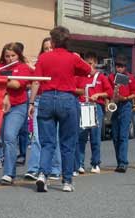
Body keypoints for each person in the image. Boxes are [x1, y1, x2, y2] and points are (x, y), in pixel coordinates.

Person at [33, 26, 91, 193]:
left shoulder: (44, 57)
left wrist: (31, 103)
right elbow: (88, 70)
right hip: (67, 98)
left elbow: (37, 79)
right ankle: (66, 181)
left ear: (52, 41)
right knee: (67, 142)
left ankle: (43, 175)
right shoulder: (72, 58)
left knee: (47, 142)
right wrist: (78, 59)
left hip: (47, 98)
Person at [24, 37, 62, 181]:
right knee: (37, 137)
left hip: (54, 100)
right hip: (40, 100)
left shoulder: (59, 62)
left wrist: (32, 67)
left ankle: (55, 168)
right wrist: (31, 103)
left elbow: (50, 77)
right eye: (45, 48)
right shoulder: (40, 62)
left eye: (51, 48)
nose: (48, 51)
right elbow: (35, 81)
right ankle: (34, 168)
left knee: (54, 137)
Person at [0, 42, 33, 185]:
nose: (10, 59)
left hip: (18, 106)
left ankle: (8, 173)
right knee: (4, 139)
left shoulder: (22, 67)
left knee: (10, 136)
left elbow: (17, 84)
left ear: (18, 55)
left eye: (13, 55)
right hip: (0, 106)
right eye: (7, 56)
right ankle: (10, 169)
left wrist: (0, 80)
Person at [74, 52, 111, 175]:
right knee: (81, 136)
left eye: (90, 63)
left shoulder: (101, 77)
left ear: (95, 63)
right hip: (82, 106)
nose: (88, 65)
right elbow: (74, 89)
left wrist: (98, 95)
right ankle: (79, 164)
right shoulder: (80, 76)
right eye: (86, 63)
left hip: (96, 107)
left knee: (95, 136)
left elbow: (109, 92)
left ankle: (95, 163)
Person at [109, 55, 135, 173]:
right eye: (117, 66)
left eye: (121, 67)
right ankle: (119, 162)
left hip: (125, 105)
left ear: (125, 67)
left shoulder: (130, 78)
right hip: (115, 105)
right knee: (115, 136)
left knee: (123, 135)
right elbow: (108, 91)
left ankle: (123, 163)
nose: (119, 69)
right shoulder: (111, 77)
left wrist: (125, 97)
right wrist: (113, 95)